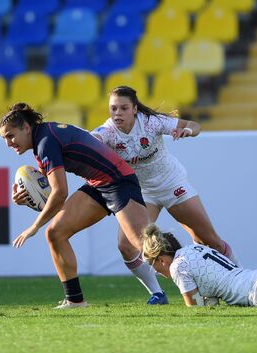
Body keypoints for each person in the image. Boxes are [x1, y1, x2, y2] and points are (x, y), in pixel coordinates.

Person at [0, 102, 167, 309]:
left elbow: (59, 194)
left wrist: (34, 227)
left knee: (144, 246)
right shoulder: (43, 138)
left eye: (10, 135)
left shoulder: (45, 142)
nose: (8, 143)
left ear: (26, 128)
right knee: (55, 233)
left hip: (119, 182)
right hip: (98, 185)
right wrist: (25, 197)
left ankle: (199, 278)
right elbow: (47, 191)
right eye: (4, 138)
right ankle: (75, 300)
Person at [90, 86, 240, 277]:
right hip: (143, 193)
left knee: (209, 240)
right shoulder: (109, 131)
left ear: (135, 109)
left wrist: (186, 130)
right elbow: (93, 138)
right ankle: (159, 292)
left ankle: (241, 276)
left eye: (123, 108)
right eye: (113, 108)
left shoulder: (151, 122)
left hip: (172, 184)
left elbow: (195, 125)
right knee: (126, 246)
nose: (117, 113)